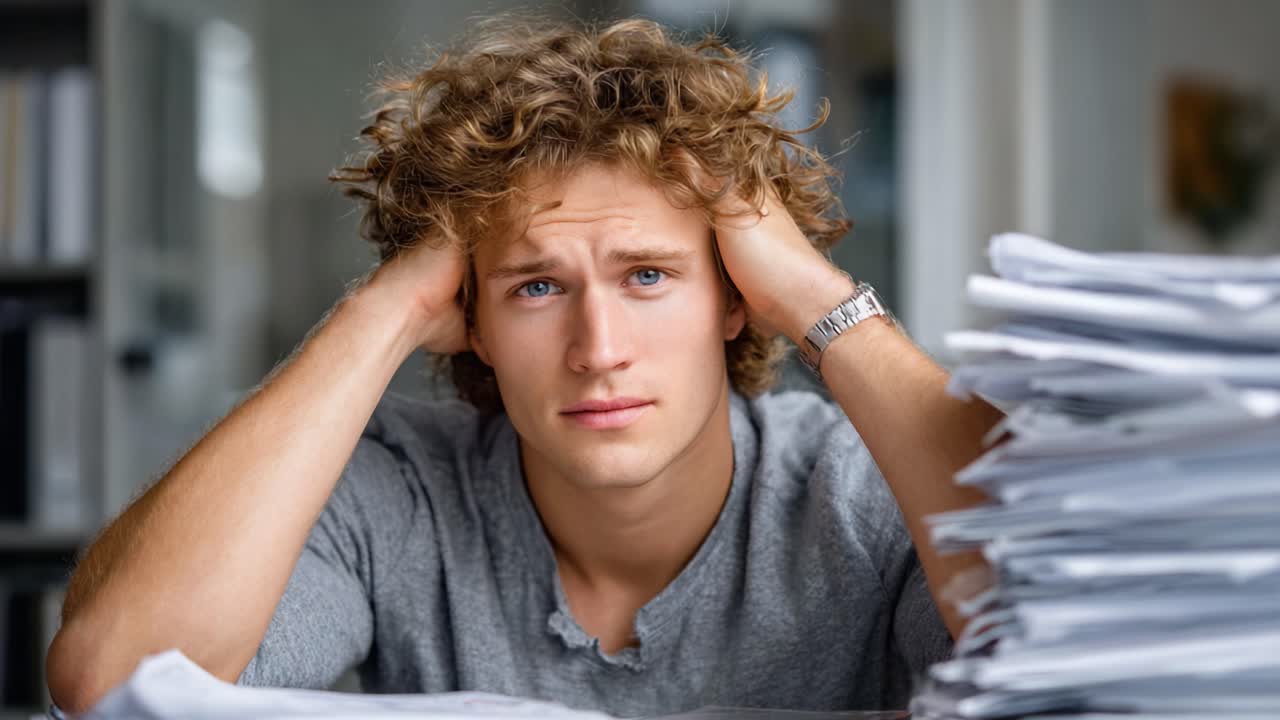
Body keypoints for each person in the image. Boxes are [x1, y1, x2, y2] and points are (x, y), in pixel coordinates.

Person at [46, 15, 999, 716]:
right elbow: (115, 684)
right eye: (536, 288)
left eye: (650, 275)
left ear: (736, 295)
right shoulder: (398, 493)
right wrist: (377, 311)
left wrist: (822, 303)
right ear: (469, 317)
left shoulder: (867, 486)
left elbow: (1075, 662)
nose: (599, 350)